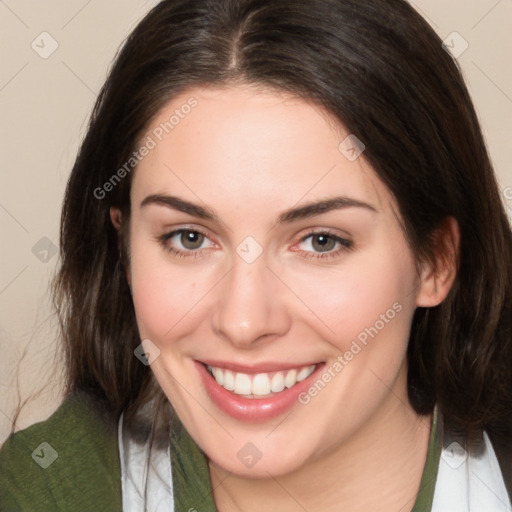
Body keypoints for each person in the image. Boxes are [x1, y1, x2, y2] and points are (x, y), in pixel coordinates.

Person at [1, 0, 511, 510]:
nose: (244, 322)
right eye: (189, 238)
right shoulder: (41, 491)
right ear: (125, 249)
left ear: (436, 261)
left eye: (321, 241)